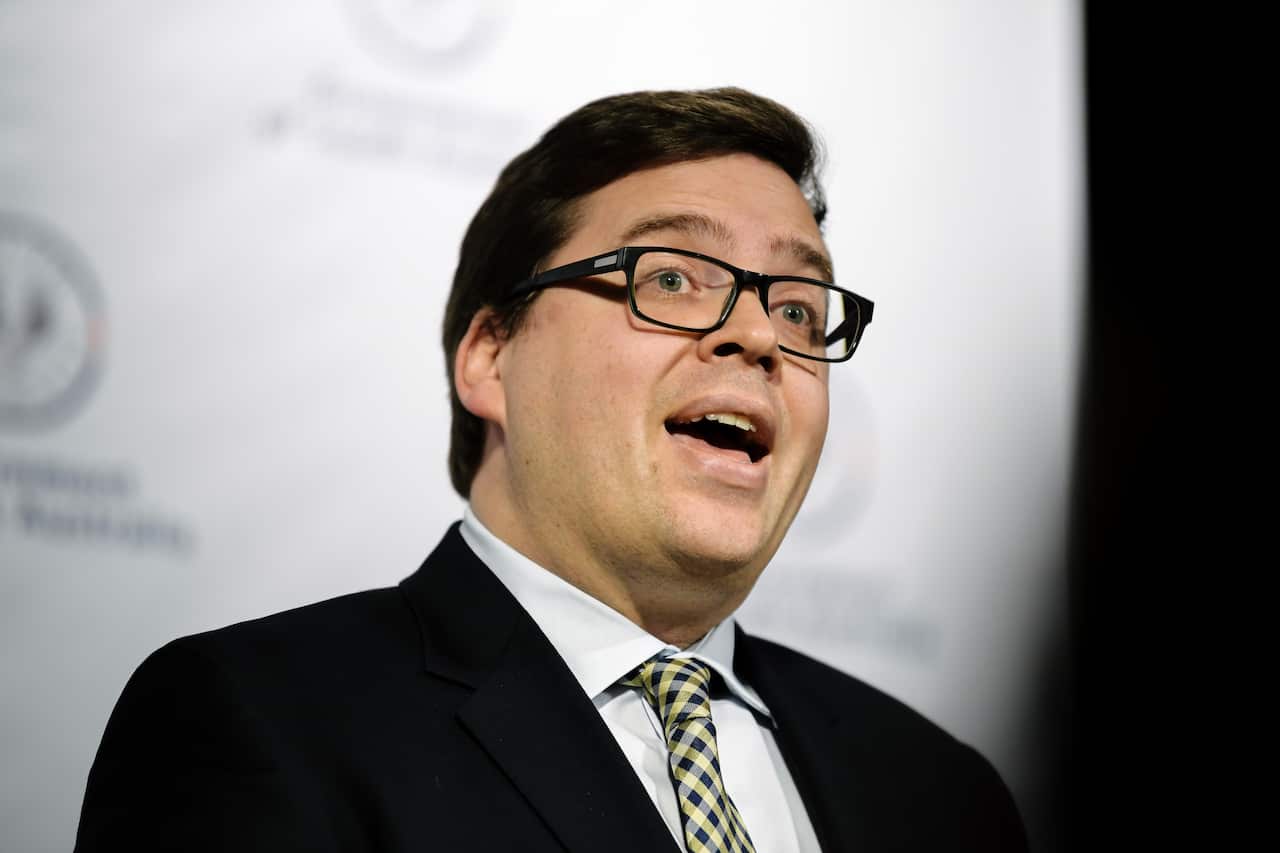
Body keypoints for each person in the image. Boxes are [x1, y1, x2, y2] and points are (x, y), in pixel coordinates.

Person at [75, 88, 1028, 852]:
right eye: (670, 278)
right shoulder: (263, 723)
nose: (757, 335)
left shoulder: (940, 793)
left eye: (799, 309)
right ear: (492, 356)